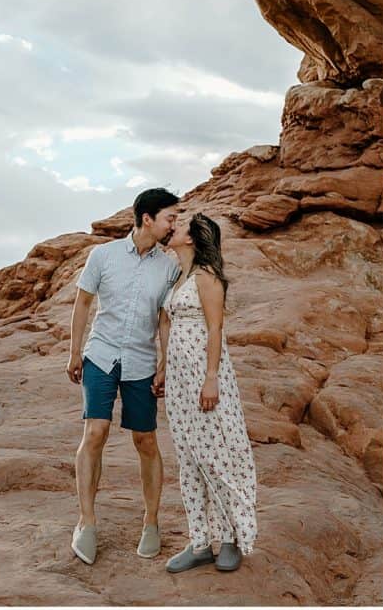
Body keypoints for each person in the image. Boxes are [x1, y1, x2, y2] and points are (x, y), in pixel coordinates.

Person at [66, 188, 182, 565]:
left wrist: (165, 362)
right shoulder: (103, 255)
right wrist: (74, 352)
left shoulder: (169, 266)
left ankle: (151, 522)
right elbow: (83, 303)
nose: (174, 224)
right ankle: (86, 522)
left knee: (145, 440)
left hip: (141, 361)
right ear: (147, 218)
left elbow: (165, 318)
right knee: (94, 432)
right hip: (100, 354)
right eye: (170, 217)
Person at [160, 212, 257, 573]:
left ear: (193, 238)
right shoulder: (178, 276)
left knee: (217, 453)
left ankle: (231, 538)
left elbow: (215, 329)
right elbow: (168, 325)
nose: (174, 228)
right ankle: (199, 541)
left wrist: (211, 377)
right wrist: (163, 370)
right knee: (189, 457)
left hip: (205, 374)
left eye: (181, 225)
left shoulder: (207, 277)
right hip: (179, 380)